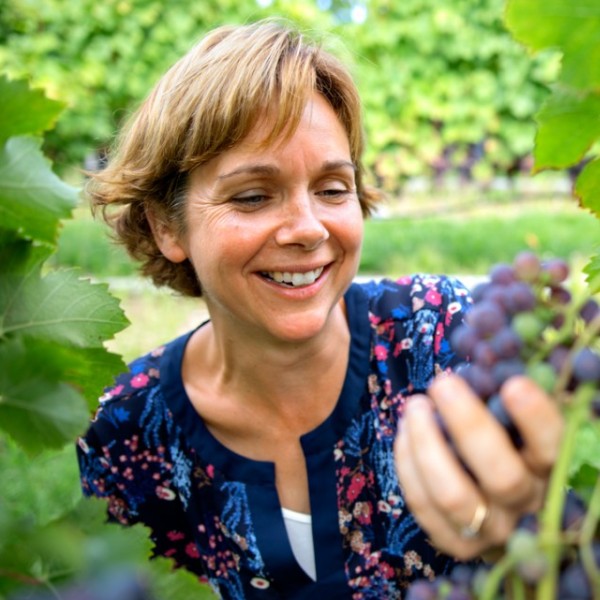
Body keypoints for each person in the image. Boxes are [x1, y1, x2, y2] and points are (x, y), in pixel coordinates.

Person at [77, 18, 564, 599]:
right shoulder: (128, 432)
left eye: (333, 188)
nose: (308, 229)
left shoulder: (448, 340)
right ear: (166, 226)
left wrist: (528, 539)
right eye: (253, 196)